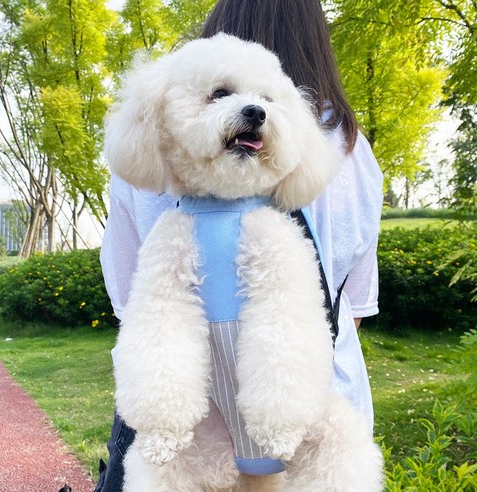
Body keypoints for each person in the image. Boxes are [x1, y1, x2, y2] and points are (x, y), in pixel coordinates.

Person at [94, 0, 383, 490]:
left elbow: (126, 302)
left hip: (286, 432)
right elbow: (353, 307)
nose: (250, 110)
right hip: (272, 421)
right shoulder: (354, 150)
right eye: (220, 93)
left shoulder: (301, 158)